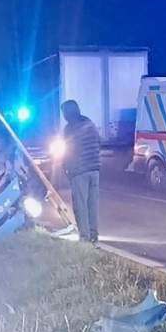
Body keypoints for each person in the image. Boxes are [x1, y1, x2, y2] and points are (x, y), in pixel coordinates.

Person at [60, 100, 101, 243]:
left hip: (80, 170)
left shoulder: (70, 128)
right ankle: (93, 235)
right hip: (94, 169)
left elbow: (68, 151)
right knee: (92, 204)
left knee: (80, 205)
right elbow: (98, 143)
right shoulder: (89, 123)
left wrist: (66, 168)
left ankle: (84, 238)